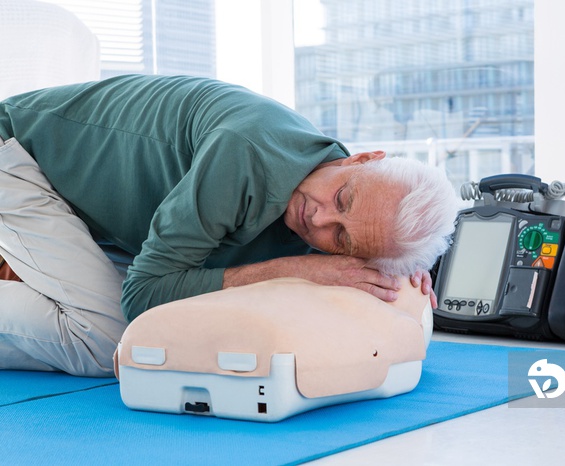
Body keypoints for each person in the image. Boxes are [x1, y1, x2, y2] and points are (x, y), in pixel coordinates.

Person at [0, 75, 459, 377]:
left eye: (341, 237)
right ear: (362, 157)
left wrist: (391, 269)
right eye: (343, 197)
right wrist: (295, 271)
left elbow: (355, 248)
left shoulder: (344, 206)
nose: (319, 216)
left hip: (80, 208)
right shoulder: (247, 154)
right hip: (14, 154)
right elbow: (143, 298)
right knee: (111, 343)